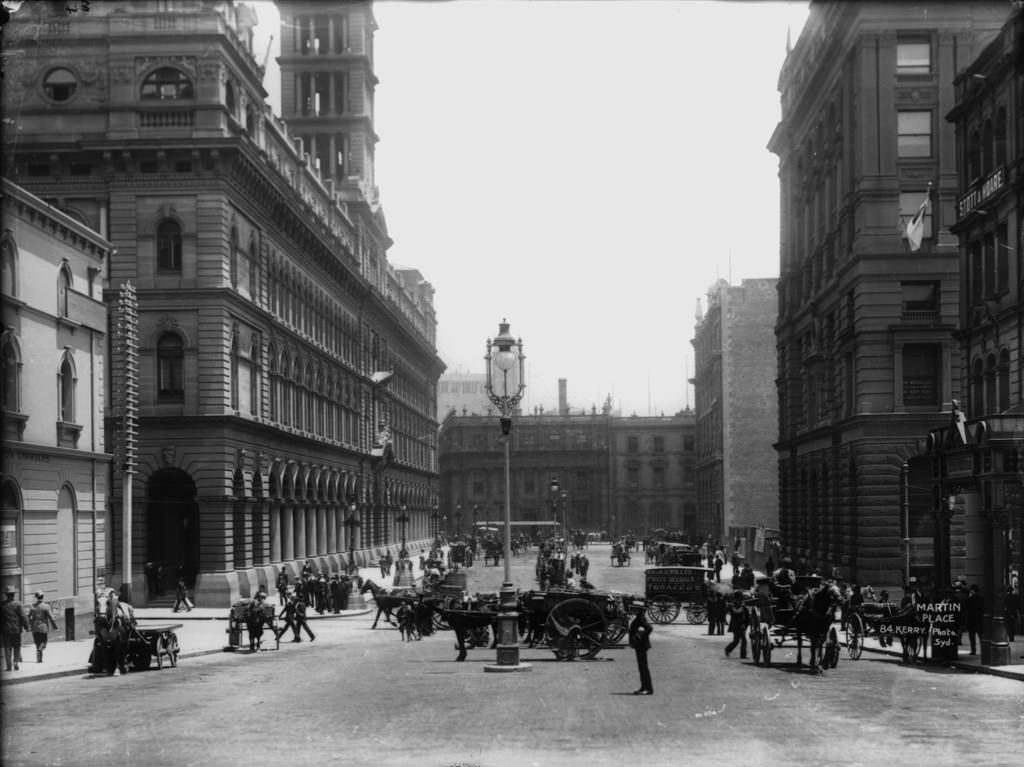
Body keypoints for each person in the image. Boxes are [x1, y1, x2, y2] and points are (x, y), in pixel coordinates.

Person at [627, 599, 653, 695]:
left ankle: (648, 688)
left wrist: (639, 636)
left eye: (634, 609)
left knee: (643, 667)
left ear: (639, 610)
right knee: (642, 667)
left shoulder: (641, 619)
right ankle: (644, 687)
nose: (633, 610)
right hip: (640, 645)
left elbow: (649, 628)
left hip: (642, 645)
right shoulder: (639, 617)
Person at [1, 586, 28, 671]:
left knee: (7, 648)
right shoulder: (18, 604)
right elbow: (23, 616)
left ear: (6, 595)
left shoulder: (2, 605)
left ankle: (9, 666)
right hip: (16, 629)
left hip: (6, 630)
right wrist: (26, 626)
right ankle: (16, 662)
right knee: (17, 646)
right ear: (13, 595)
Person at [28, 591, 59, 663]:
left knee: (37, 643)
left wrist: (30, 624)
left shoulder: (32, 606)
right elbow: (51, 617)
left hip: (35, 627)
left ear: (36, 597)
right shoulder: (46, 606)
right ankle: (39, 652)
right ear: (42, 597)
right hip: (43, 627)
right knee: (44, 643)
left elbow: (29, 617)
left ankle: (39, 660)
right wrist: (55, 627)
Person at [724, 593, 748, 658]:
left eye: (740, 599)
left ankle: (743, 655)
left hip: (742, 625)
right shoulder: (731, 606)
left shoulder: (743, 607)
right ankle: (727, 649)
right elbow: (725, 612)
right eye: (738, 599)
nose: (740, 601)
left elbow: (747, 618)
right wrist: (725, 620)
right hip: (735, 625)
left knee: (744, 640)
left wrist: (745, 625)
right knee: (737, 640)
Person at [965, 584, 983, 655]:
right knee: (981, 636)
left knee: (972, 637)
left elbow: (966, 608)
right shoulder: (981, 599)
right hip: (979, 619)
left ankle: (973, 650)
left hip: (971, 619)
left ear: (972, 591)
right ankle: (983, 650)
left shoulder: (969, 599)